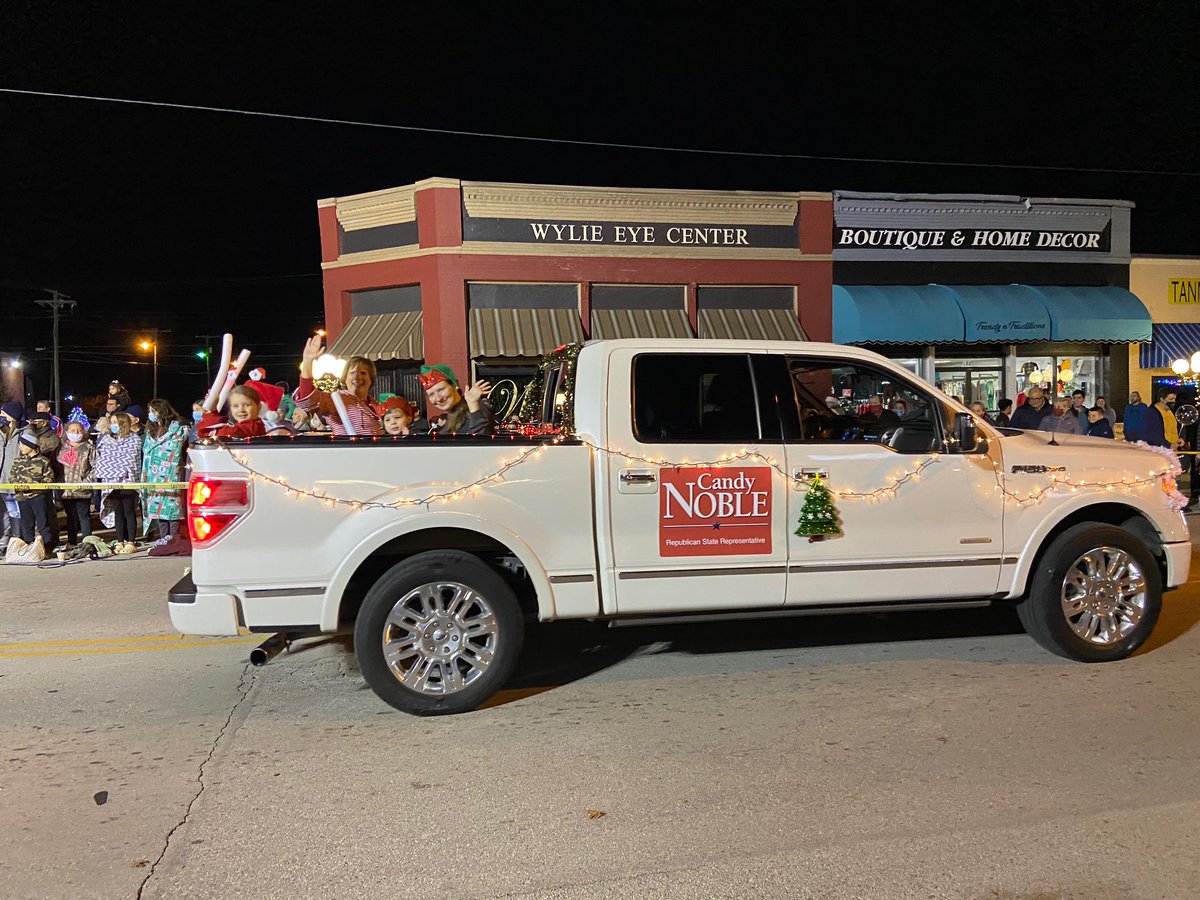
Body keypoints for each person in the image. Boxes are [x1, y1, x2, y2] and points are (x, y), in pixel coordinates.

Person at [95, 411, 143, 554]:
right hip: (111, 481)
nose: (113, 425)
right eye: (112, 422)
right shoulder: (107, 440)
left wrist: (119, 469)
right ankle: (120, 540)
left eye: (116, 422)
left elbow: (132, 459)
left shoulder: (134, 439)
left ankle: (131, 541)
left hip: (128, 480)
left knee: (129, 511)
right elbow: (103, 459)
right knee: (118, 512)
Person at [142, 400, 188, 546]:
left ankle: (174, 538)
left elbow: (176, 445)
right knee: (158, 506)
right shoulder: (151, 430)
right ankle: (163, 536)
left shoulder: (177, 429)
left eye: (154, 411)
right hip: (153, 474)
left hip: (170, 472)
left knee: (172, 506)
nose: (151, 415)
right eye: (150, 411)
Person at [10, 432, 54, 550]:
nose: (21, 447)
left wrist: (32, 486)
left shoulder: (43, 461)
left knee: (42, 523)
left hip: (38, 497)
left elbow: (48, 480)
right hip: (22, 498)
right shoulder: (18, 461)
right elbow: (12, 477)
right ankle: (28, 547)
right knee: (26, 524)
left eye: (23, 445)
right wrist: (19, 487)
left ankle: (48, 546)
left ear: (31, 446)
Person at [420, 364, 492, 435]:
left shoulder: (477, 407)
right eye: (431, 394)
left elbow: (480, 442)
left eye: (441, 390)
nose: (438, 398)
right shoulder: (447, 420)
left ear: (455, 385)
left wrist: (473, 405)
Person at [57, 418, 96, 546]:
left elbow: (96, 467)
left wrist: (86, 482)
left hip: (83, 490)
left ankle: (87, 542)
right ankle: (72, 542)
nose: (76, 432)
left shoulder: (89, 448)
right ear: (67, 431)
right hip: (66, 490)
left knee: (84, 515)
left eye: (79, 430)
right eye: (73, 430)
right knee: (71, 517)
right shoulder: (61, 448)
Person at [198, 386, 268, 439]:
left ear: (259, 406)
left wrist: (211, 412)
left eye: (247, 405)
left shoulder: (253, 427)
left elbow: (228, 432)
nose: (241, 410)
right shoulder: (240, 426)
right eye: (235, 406)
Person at [0, 401, 25, 544]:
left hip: (11, 481)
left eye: (3, 413)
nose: (0, 416)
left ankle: (16, 540)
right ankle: (3, 542)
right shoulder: (1, 432)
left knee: (14, 512)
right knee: (2, 514)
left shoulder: (21, 433)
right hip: (0, 481)